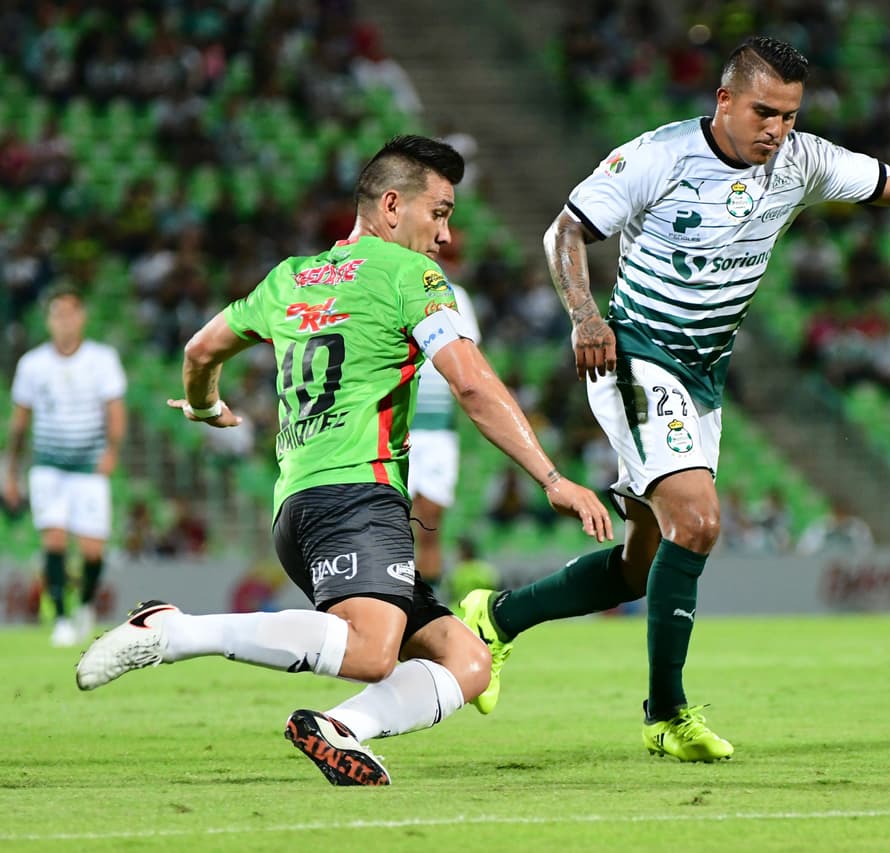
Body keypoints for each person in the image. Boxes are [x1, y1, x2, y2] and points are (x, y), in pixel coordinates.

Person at [459, 36, 890, 761]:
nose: (776, 129)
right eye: (764, 111)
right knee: (697, 520)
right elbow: (566, 229)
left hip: (704, 372)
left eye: (789, 115)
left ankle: (496, 618)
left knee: (641, 563)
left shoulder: (802, 160)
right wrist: (584, 314)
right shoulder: (657, 157)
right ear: (724, 100)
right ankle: (667, 713)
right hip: (635, 352)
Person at [75, 135, 613, 786]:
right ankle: (174, 629)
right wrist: (551, 478)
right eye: (439, 212)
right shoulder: (408, 276)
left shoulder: (288, 279)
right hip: (358, 493)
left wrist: (205, 405)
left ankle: (341, 728)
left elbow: (199, 351)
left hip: (296, 508)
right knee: (371, 651)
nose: (445, 234)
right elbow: (470, 383)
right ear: (392, 206)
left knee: (468, 659)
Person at [5, 287, 126, 646]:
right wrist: (9, 468)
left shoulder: (102, 359)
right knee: (53, 539)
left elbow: (115, 410)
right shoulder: (32, 364)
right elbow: (20, 421)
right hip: (48, 465)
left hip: (88, 464)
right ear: (48, 320)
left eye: (70, 313)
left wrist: (112, 451)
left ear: (82, 317)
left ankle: (85, 604)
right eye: (57, 314)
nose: (64, 321)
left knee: (92, 549)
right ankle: (59, 616)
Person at [407, 280, 480, 591]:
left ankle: (428, 600)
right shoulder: (389, 283)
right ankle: (397, 600)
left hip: (439, 431)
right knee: (396, 522)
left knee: (431, 524)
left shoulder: (455, 293)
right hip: (398, 423)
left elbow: (469, 349)